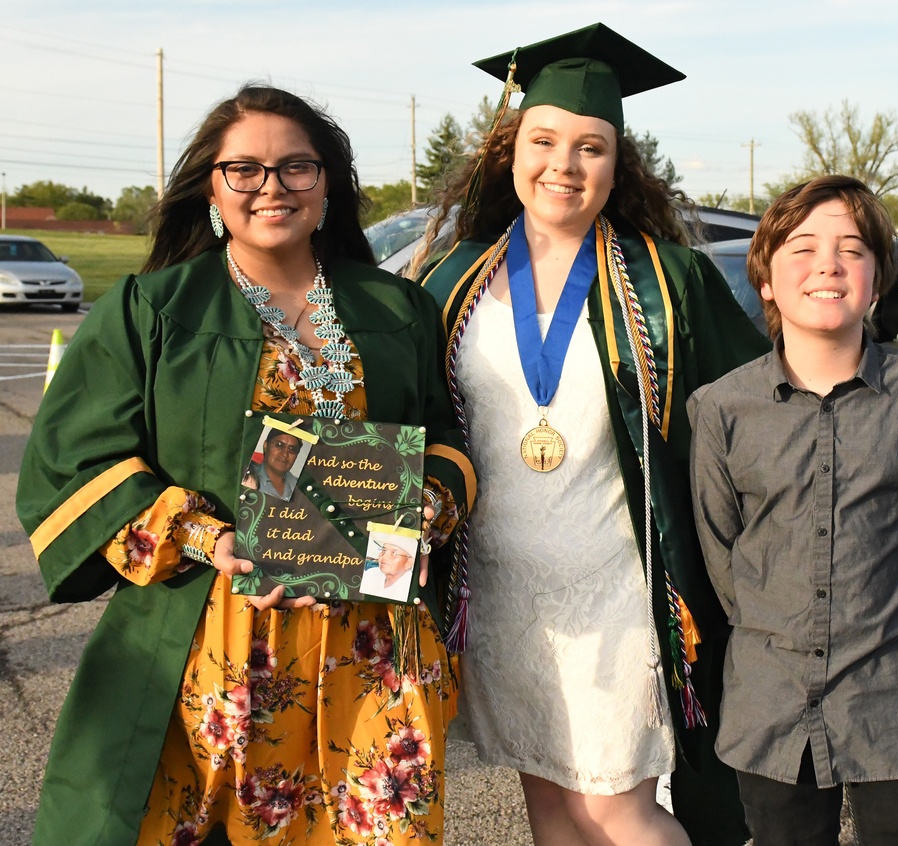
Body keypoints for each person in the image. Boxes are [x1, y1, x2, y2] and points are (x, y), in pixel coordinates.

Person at [16, 84, 475, 845]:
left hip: (372, 648)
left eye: (298, 167)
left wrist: (423, 508)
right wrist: (204, 538)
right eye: (246, 169)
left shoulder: (396, 309)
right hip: (215, 640)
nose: (272, 187)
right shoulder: (156, 310)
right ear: (211, 185)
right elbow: (74, 461)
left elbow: (450, 443)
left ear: (328, 183)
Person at [417, 24, 769, 846]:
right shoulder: (451, 278)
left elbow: (754, 401)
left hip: (619, 590)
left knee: (621, 809)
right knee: (552, 807)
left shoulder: (666, 280)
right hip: (503, 595)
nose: (564, 167)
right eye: (544, 141)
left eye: (591, 148)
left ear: (620, 163)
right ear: (511, 151)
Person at [687, 175, 898, 846]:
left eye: (852, 248)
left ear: (876, 281)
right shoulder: (721, 408)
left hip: (897, 700)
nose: (827, 263)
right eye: (802, 248)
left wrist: (886, 621)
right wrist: (778, 625)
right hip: (771, 706)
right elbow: (722, 551)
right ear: (766, 280)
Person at [243, 428, 304, 500]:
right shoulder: (247, 479)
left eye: (292, 449)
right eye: (279, 445)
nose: (285, 454)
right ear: (265, 445)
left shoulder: (302, 487)